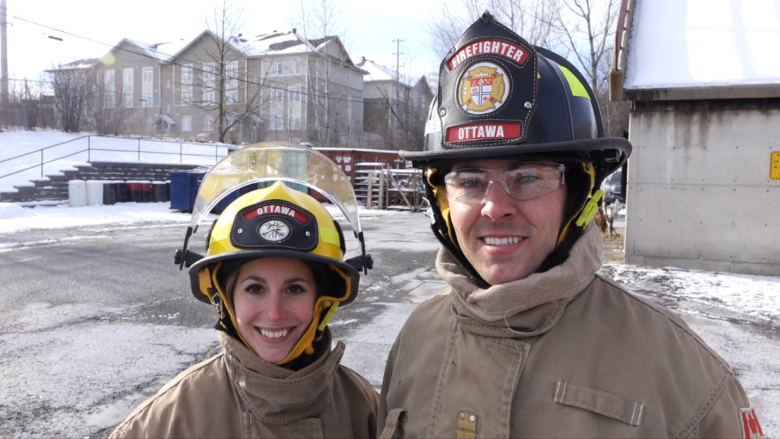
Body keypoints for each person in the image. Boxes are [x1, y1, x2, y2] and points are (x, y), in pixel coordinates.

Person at [378, 12, 765, 439]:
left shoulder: (687, 380)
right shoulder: (416, 339)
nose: (494, 207)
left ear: (580, 195)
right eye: (469, 181)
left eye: (528, 177)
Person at [110, 146, 378, 438]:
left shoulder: (364, 408)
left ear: (324, 300)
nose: (274, 313)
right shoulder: (166, 421)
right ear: (224, 298)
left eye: (295, 289)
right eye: (254, 288)